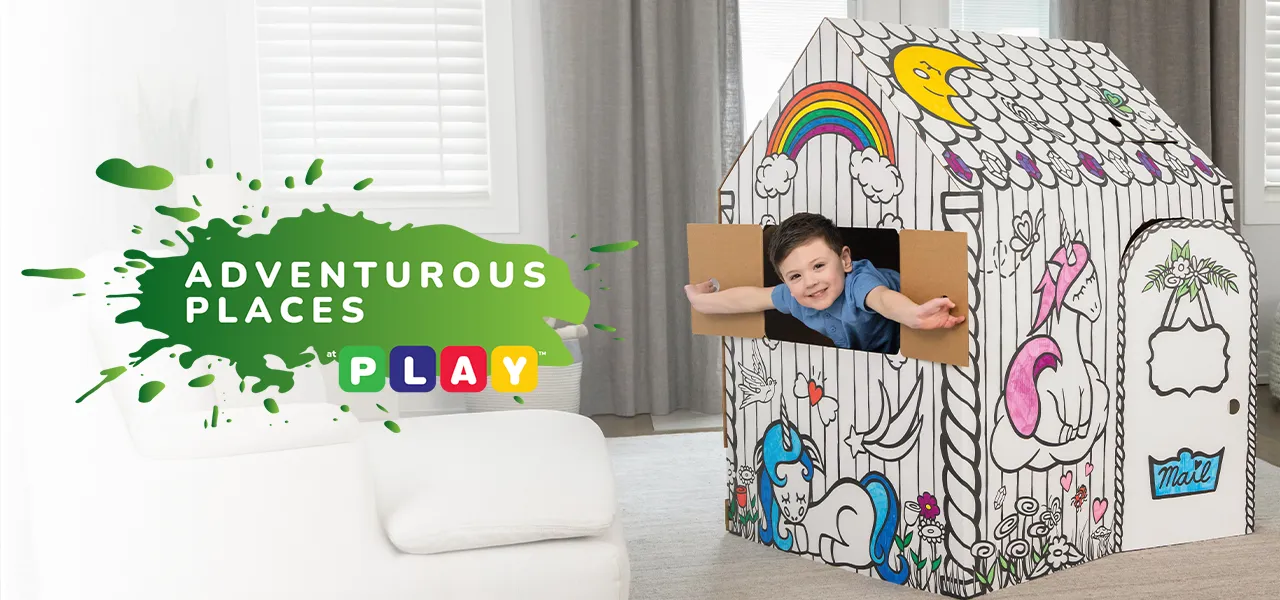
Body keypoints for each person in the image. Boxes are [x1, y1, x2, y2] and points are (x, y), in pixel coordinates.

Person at [684, 212, 964, 352]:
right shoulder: (798, 298)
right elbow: (752, 297)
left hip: (910, 333)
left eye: (818, 266)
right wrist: (702, 302)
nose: (810, 282)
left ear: (844, 260)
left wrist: (914, 316)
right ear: (785, 280)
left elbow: (881, 299)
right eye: (795, 276)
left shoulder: (857, 282)